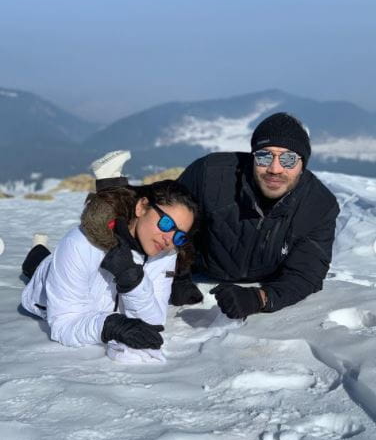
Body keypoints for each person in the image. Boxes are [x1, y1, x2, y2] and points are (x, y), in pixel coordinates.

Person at [171, 112, 340, 318]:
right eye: (264, 156)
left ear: (303, 164)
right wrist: (177, 277)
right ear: (253, 156)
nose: (275, 168)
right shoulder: (209, 175)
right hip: (201, 270)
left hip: (264, 278)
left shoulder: (318, 206)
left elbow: (305, 274)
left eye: (288, 159)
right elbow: (167, 224)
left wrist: (260, 298)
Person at [21, 177, 197, 363]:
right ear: (141, 207)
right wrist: (110, 326)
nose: (169, 239)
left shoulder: (167, 253)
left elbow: (153, 323)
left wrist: (132, 279)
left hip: (83, 282)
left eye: (179, 235)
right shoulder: (80, 243)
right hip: (48, 283)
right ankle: (37, 249)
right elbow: (64, 325)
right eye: (167, 224)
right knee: (38, 264)